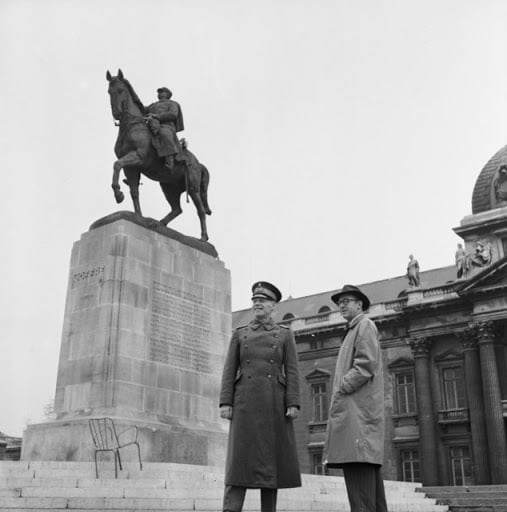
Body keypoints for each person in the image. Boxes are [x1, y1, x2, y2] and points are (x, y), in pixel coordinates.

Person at [219, 281, 301, 512]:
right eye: (255, 300)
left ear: (273, 305)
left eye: (262, 301)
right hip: (244, 402)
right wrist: (226, 402)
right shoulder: (240, 334)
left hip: (273, 403)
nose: (257, 304)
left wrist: (293, 402)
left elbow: (293, 371)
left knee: (269, 466)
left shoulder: (284, 335)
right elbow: (229, 369)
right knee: (237, 464)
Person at [323, 284, 387, 512]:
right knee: (371, 498)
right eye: (339, 302)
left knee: (360, 497)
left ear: (359, 304)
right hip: (359, 420)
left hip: (357, 421)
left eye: (346, 300)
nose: (341, 305)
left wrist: (342, 386)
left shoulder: (364, 325)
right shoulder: (354, 329)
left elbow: (365, 364)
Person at [145, 87, 184, 171]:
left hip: (166, 125)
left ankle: (169, 162)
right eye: (159, 92)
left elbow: (173, 115)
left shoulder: (172, 104)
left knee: (165, 134)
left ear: (167, 94)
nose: (159, 94)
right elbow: (143, 110)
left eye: (161, 92)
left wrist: (157, 116)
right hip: (151, 125)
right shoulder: (153, 105)